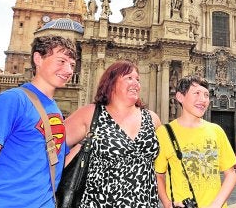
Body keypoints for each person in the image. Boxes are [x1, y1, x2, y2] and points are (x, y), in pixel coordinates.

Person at [0, 35, 77, 208]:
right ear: (38, 59)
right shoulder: (12, 101)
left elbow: (52, 162)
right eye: (61, 61)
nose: (68, 70)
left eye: (72, 65)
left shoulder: (53, 109)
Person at [64, 60, 162, 207]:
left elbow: (162, 166)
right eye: (129, 78)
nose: (136, 83)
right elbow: (52, 146)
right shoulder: (91, 114)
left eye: (138, 79)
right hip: (99, 203)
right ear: (111, 82)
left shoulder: (152, 119)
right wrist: (78, 149)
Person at [155, 75, 236, 208]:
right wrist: (167, 204)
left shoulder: (216, 131)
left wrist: (216, 205)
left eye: (206, 95)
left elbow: (231, 174)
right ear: (180, 97)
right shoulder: (164, 133)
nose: (203, 99)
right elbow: (158, 175)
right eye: (197, 93)